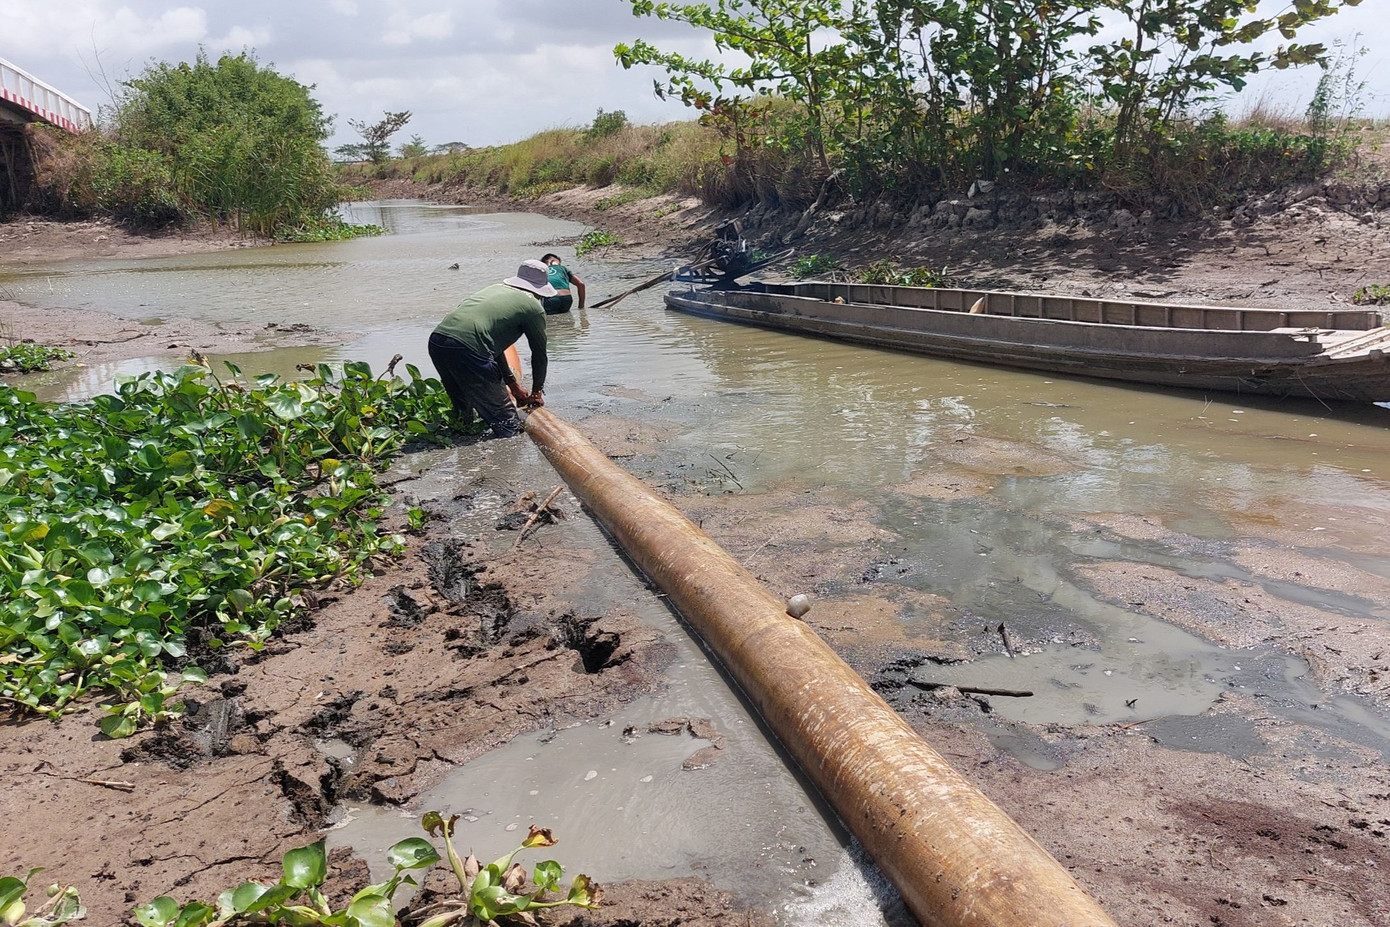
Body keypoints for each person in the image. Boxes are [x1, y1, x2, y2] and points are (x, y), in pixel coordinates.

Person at [428, 259, 552, 438]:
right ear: (540, 290)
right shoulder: (534, 308)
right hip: (468, 348)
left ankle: (464, 451)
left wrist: (513, 386)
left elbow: (493, 345)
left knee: (464, 410)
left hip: (438, 340)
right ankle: (505, 455)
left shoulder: (494, 289)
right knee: (508, 424)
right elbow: (539, 355)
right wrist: (536, 392)